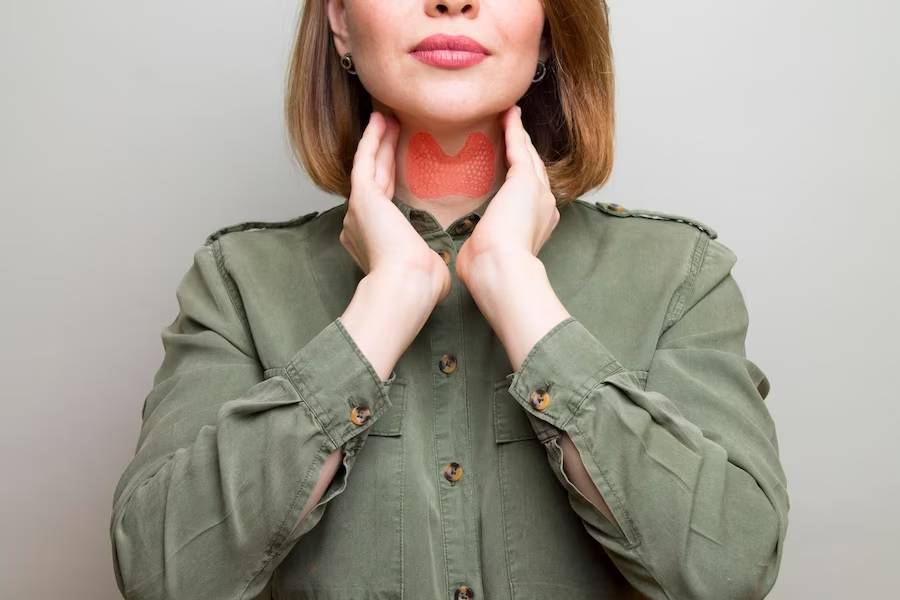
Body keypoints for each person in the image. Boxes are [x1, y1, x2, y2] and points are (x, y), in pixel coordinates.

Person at [109, 0, 789, 598]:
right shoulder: (237, 281)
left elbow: (729, 572)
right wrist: (381, 308)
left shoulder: (677, 273)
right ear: (341, 21)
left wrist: (518, 290)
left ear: (550, 29)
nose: (452, 2)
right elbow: (164, 578)